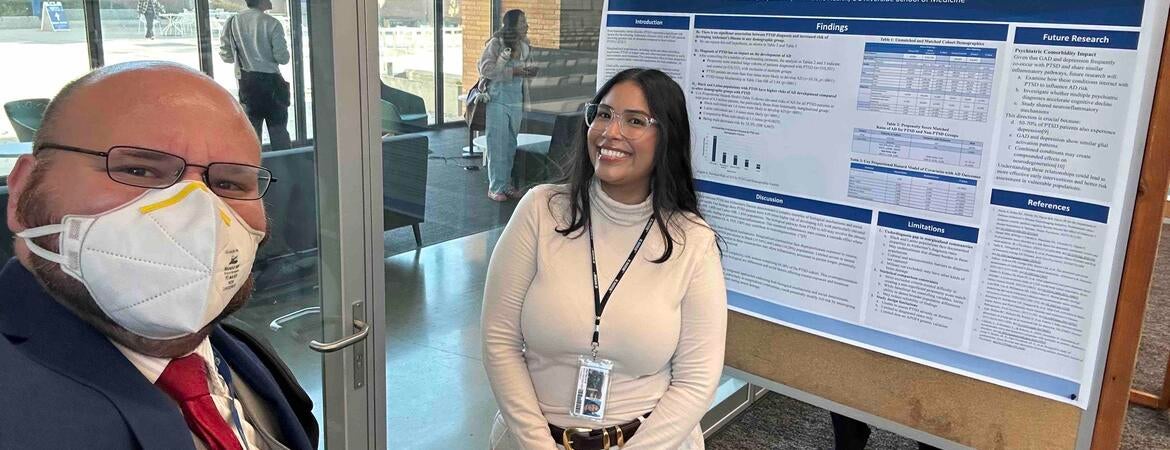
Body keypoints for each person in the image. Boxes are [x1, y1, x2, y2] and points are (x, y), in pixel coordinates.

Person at [0, 61, 317, 450]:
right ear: (23, 190)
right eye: (138, 170)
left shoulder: (245, 359)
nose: (196, 216)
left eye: (229, 183)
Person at [482, 68, 727, 449]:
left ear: (668, 137)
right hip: (530, 440)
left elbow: (696, 379)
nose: (611, 132)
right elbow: (499, 341)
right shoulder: (541, 211)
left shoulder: (692, 240)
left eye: (635, 121)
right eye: (604, 114)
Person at [477, 9, 538, 202]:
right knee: (497, 144)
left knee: (510, 144)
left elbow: (525, 69)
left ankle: (505, 184)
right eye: (522, 22)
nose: (526, 26)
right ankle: (495, 187)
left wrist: (529, 71)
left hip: (515, 100)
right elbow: (485, 69)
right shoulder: (497, 43)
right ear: (512, 25)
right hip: (498, 99)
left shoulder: (525, 45)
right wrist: (514, 72)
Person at [219, 0, 292, 150]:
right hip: (273, 84)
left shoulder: (232, 22)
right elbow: (282, 58)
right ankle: (284, 163)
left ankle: (255, 164)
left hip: (248, 84)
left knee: (252, 136)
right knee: (279, 133)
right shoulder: (272, 23)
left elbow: (226, 56)